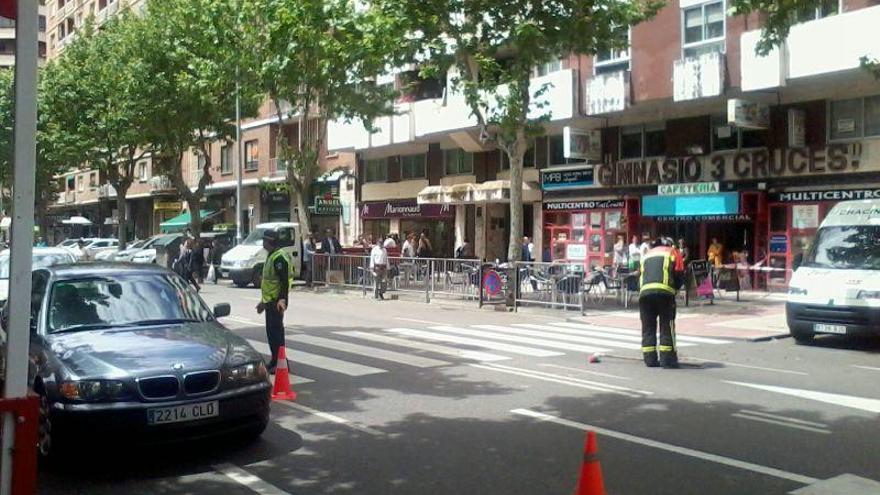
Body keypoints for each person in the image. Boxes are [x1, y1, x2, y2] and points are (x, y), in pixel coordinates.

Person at [639, 237, 685, 369]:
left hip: (645, 295)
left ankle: (650, 359)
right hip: (664, 294)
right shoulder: (672, 252)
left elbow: (641, 275)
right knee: (667, 325)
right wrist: (675, 289)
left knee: (648, 326)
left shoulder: (647, 255)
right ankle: (667, 360)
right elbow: (679, 274)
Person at [256, 230, 291, 374]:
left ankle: (282, 363)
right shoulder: (272, 255)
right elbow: (269, 282)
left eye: (264, 240)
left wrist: (282, 299)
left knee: (277, 333)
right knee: (271, 333)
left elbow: (284, 282)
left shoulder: (279, 258)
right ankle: (275, 359)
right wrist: (262, 302)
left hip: (277, 301)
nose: (263, 243)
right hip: (270, 301)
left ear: (269, 241)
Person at [370, 235, 389, 300]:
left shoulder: (384, 250)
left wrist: (387, 267)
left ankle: (381, 292)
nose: (381, 243)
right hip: (377, 267)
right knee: (376, 282)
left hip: (383, 267)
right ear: (377, 242)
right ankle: (376, 295)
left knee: (384, 281)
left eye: (382, 242)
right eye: (380, 242)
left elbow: (386, 259)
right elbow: (372, 259)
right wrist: (372, 268)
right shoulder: (374, 249)